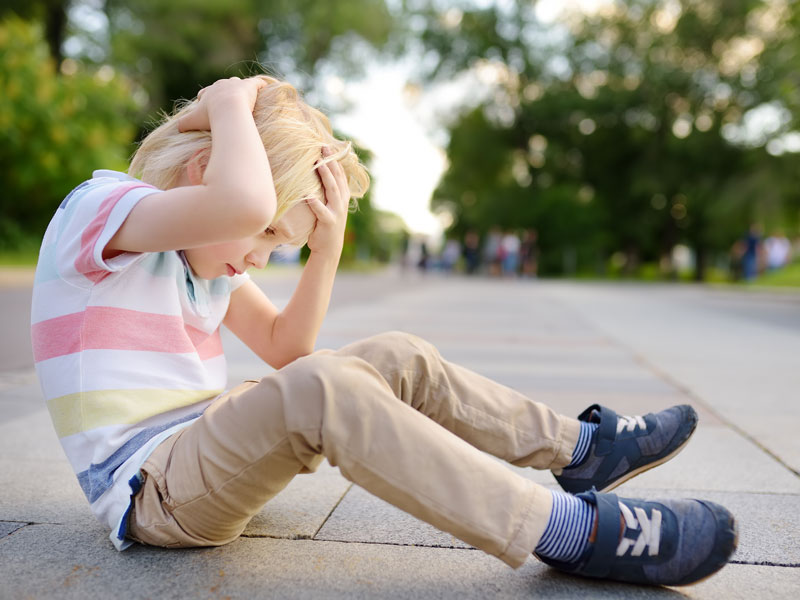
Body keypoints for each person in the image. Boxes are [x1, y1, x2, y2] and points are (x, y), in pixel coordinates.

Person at [30, 76, 736, 587]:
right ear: (205, 170)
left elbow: (286, 347)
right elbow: (242, 208)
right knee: (323, 388)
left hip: (204, 452)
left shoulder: (199, 262)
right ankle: (568, 532)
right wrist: (226, 99)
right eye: (270, 235)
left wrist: (327, 247)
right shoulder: (103, 210)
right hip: (154, 491)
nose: (258, 256)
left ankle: (581, 448)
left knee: (395, 356)